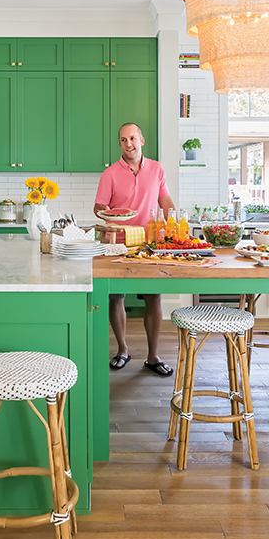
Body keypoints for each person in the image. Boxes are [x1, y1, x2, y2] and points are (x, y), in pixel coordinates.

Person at [94, 122, 176, 376]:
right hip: (117, 242)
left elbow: (165, 202)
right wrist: (113, 214)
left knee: (153, 297)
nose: (128, 144)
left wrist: (173, 221)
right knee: (115, 297)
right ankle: (122, 350)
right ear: (119, 143)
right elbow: (98, 208)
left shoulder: (157, 169)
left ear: (141, 139)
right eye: (122, 140)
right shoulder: (109, 174)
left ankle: (153, 356)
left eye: (132, 138)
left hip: (148, 242)